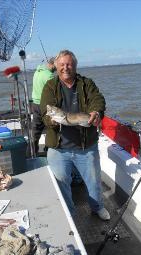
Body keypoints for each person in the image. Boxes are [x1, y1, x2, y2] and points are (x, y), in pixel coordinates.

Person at [40, 50, 110, 220]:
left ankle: (97, 207)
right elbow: (45, 113)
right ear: (56, 67)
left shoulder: (87, 83)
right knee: (62, 183)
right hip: (59, 148)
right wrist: (53, 121)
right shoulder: (50, 86)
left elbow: (98, 99)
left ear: (75, 66)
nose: (66, 68)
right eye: (62, 64)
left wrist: (96, 112)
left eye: (69, 64)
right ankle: (69, 213)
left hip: (86, 146)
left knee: (94, 182)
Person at [31, 57, 56, 154]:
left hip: (35, 104)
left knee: (36, 128)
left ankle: (32, 150)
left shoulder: (37, 71)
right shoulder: (50, 76)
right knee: (51, 126)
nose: (57, 69)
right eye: (57, 66)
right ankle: (48, 148)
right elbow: (54, 93)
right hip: (45, 105)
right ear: (53, 64)